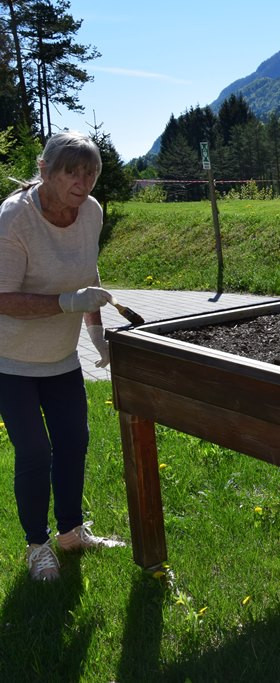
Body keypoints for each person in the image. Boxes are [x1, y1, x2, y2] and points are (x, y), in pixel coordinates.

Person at [0, 131, 125, 582]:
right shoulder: (14, 220)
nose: (83, 181)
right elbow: (2, 297)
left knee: (74, 441)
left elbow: (86, 273)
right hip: (9, 361)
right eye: (71, 171)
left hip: (60, 359)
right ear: (45, 171)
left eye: (90, 171)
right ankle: (38, 545)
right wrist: (66, 303)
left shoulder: (91, 212)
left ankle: (71, 532)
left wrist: (97, 333)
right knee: (35, 452)